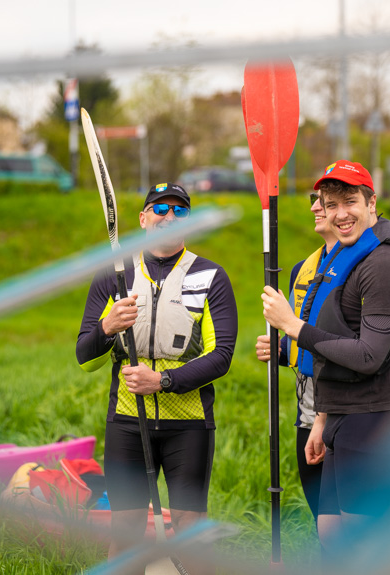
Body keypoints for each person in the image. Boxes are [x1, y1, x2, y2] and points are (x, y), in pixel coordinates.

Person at [261, 160, 390, 553]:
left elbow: (369, 355)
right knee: (333, 539)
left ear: (371, 203)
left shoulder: (386, 263)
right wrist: (323, 420)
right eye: (330, 204)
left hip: (376, 420)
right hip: (343, 417)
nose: (340, 214)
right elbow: (340, 339)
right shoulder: (346, 256)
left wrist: (295, 328)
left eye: (349, 202)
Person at [76, 183, 238, 559]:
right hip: (128, 424)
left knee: (190, 530)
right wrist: (107, 328)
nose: (169, 217)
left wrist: (163, 381)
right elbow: (86, 358)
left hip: (190, 425)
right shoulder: (113, 276)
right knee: (127, 532)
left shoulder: (211, 276)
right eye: (160, 209)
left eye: (180, 211)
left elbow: (223, 355)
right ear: (143, 218)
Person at [255, 189, 337, 520]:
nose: (316, 207)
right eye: (315, 201)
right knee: (322, 516)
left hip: (344, 412)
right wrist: (281, 350)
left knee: (348, 523)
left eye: (326, 201)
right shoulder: (303, 269)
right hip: (306, 412)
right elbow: (304, 333)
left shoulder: (363, 267)